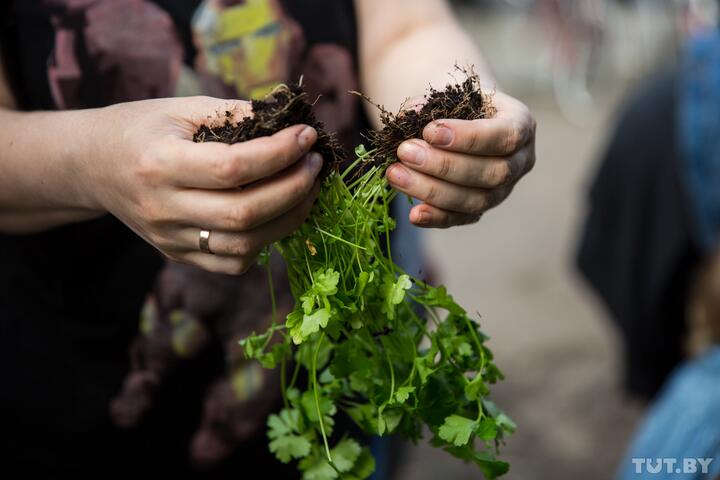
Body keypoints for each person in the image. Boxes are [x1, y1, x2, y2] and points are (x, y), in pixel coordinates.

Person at [0, 0, 536, 477]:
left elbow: (405, 27)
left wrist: (458, 120)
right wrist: (92, 164)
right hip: (71, 386)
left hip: (344, 376)